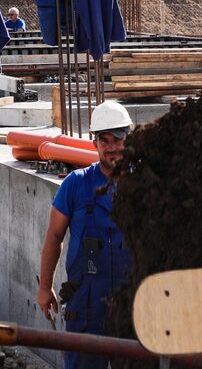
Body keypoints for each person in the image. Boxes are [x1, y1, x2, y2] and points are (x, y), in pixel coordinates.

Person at [36, 102, 134, 369]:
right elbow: (54, 238)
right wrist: (45, 287)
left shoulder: (144, 183)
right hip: (87, 304)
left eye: (119, 139)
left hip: (134, 303)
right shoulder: (75, 185)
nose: (113, 147)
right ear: (95, 144)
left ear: (130, 137)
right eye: (105, 141)